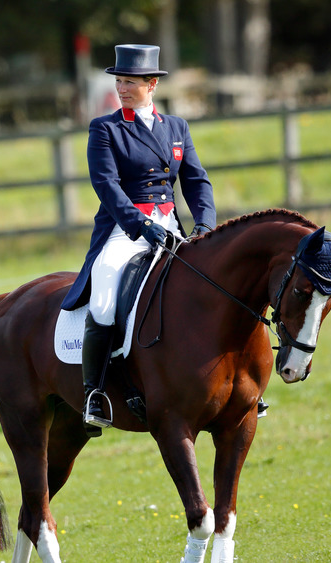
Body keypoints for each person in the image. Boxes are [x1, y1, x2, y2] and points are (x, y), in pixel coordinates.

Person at [60, 44, 217, 436]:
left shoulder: (177, 128)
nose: (122, 89)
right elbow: (107, 187)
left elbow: (196, 180)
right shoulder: (106, 128)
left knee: (214, 288)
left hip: (173, 229)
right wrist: (140, 226)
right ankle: (94, 393)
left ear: (151, 84)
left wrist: (205, 226)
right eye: (119, 81)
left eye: (130, 82)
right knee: (105, 297)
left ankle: (228, 382)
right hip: (124, 230)